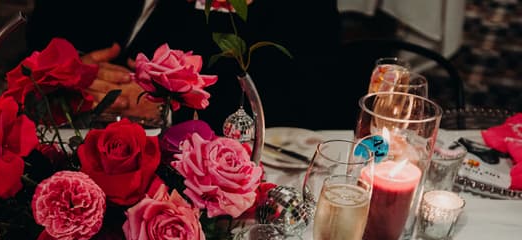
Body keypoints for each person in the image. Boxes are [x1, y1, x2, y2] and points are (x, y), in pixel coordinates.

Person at [26, 0, 344, 132]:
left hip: (204, 164)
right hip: (66, 132)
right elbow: (39, 38)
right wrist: (65, 70)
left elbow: (310, 95)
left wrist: (172, 105)